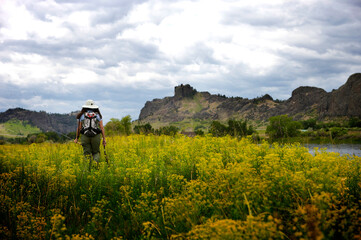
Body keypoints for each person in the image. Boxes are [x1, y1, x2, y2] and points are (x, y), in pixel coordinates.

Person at [74, 100, 106, 166]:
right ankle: (95, 166)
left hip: (85, 136)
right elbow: (102, 127)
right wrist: (104, 139)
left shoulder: (81, 115)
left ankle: (87, 169)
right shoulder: (97, 115)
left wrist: (76, 138)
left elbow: (79, 128)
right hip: (96, 136)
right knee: (96, 152)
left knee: (86, 153)